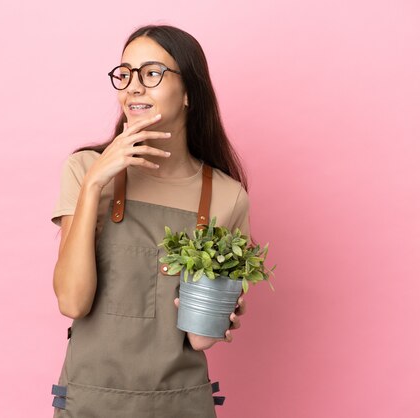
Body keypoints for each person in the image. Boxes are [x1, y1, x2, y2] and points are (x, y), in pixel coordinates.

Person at [50, 24, 252, 418]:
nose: (133, 87)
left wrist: (219, 309)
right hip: (91, 404)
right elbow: (72, 301)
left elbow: (198, 340)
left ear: (190, 91)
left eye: (152, 73)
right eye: (125, 74)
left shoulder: (228, 197)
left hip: (180, 405)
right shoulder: (85, 169)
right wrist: (94, 185)